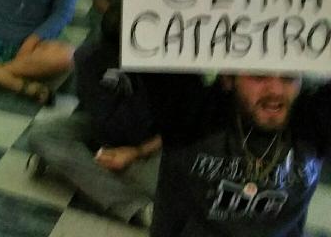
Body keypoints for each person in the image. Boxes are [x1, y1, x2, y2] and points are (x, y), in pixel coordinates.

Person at [142, 69, 331, 236]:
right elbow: (161, 59)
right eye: (259, 76)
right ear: (228, 78)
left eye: (289, 78)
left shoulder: (312, 122)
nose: (276, 90)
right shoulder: (192, 113)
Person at [27, 6, 161, 227]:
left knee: (162, 183)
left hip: (151, 142)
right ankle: (134, 206)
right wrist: (108, 150)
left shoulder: (164, 62)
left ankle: (71, 167)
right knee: (42, 135)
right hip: (102, 130)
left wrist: (136, 152)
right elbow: (95, 113)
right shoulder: (90, 56)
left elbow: (178, 126)